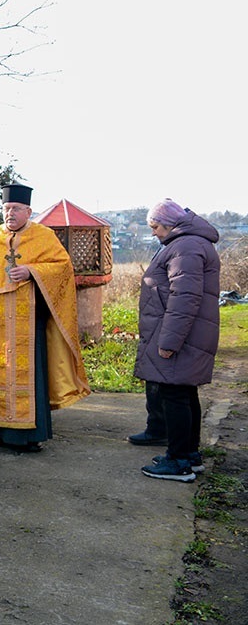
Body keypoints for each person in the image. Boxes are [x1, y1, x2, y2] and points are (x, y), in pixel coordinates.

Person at [0, 182, 90, 453]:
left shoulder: (44, 236)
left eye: (15, 208)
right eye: (6, 208)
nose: (9, 214)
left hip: (31, 323)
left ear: (28, 211)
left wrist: (31, 271)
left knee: (31, 377)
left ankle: (30, 436)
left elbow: (62, 270)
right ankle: (0, 432)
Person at [131, 199, 220, 482]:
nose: (154, 233)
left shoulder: (185, 247)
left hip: (181, 336)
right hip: (187, 334)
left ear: (170, 224)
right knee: (184, 393)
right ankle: (190, 456)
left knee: (175, 396)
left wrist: (168, 343)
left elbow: (184, 300)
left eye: (155, 227)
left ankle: (178, 461)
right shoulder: (190, 244)